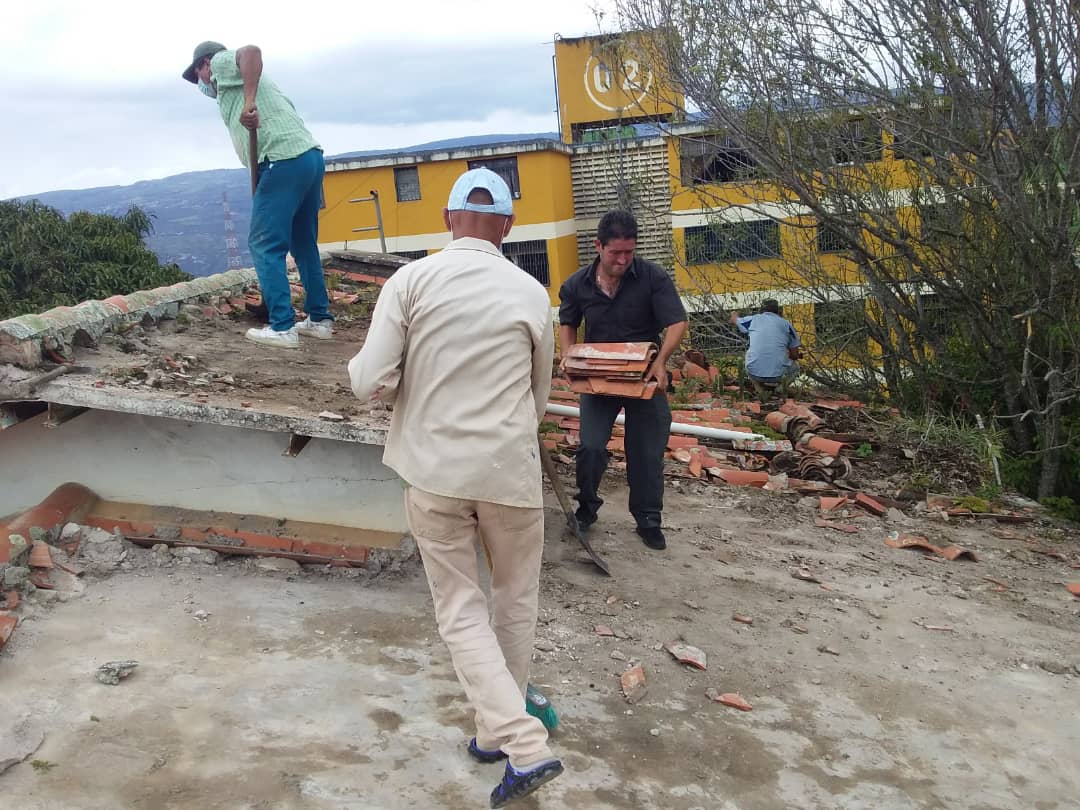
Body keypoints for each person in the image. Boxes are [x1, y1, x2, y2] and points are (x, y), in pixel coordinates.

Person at [347, 168, 562, 808]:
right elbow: (539, 395)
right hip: (509, 473)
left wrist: (380, 373)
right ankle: (491, 735)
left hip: (435, 473)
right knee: (514, 601)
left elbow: (369, 381)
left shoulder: (410, 281)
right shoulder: (531, 293)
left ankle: (521, 744)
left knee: (460, 608)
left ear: (446, 221)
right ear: (508, 227)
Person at [183, 41, 333, 349]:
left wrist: (249, 101)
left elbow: (250, 51)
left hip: (281, 160)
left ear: (205, 65)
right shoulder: (242, 85)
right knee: (303, 243)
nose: (199, 83)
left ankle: (281, 326)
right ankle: (319, 319)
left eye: (197, 75)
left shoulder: (223, 65)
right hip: (308, 157)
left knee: (264, 244)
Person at [558, 210, 688, 551]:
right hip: (599, 378)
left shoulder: (652, 277)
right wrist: (567, 356)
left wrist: (661, 363)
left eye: (629, 252)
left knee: (646, 451)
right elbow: (567, 322)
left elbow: (676, 323)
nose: (623, 259)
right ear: (598, 246)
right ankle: (586, 508)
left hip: (644, 377)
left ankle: (648, 520)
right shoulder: (576, 284)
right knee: (591, 446)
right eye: (616, 252)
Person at [729, 299, 802, 399]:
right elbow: (794, 355)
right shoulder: (787, 324)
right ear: (778, 311)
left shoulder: (752, 320)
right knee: (796, 367)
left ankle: (759, 390)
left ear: (761, 310)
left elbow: (734, 320)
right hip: (779, 375)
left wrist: (734, 314)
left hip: (754, 373)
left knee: (748, 355)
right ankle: (780, 388)